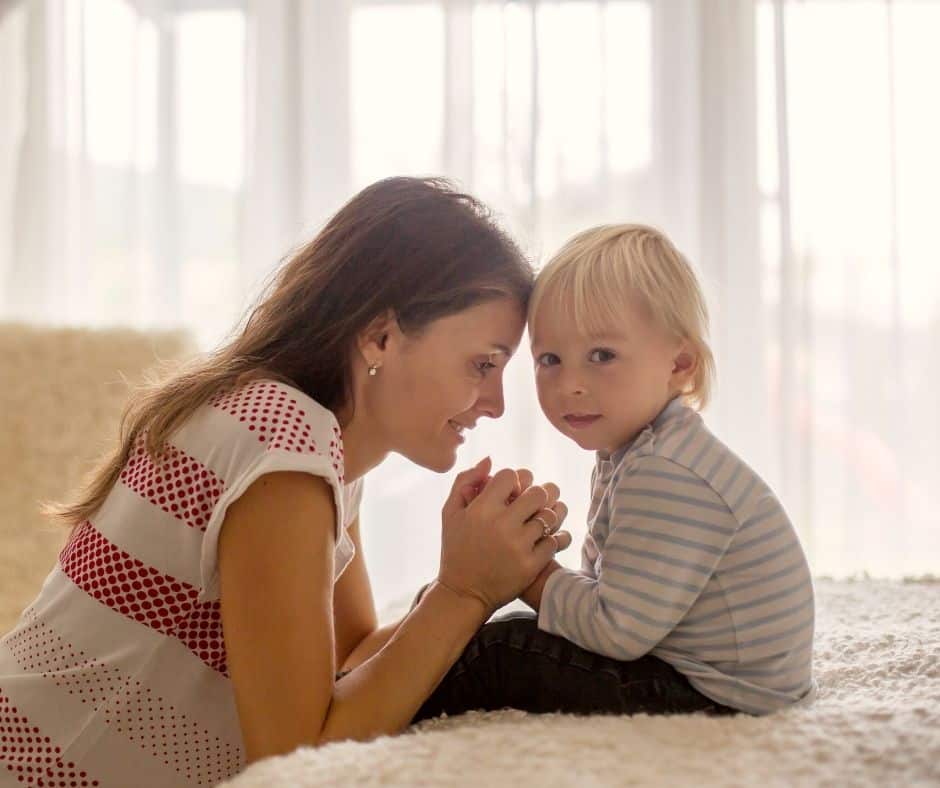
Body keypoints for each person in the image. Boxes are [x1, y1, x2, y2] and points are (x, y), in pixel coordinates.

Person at [0, 177, 573, 787]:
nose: (496, 403)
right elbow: (294, 761)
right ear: (381, 336)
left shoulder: (317, 447)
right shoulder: (284, 442)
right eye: (483, 364)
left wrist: (478, 578)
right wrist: (463, 593)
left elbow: (346, 658)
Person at [415, 224, 815, 721]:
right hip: (703, 668)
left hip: (718, 691)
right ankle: (406, 659)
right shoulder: (639, 450)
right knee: (491, 627)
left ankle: (394, 701)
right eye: (550, 359)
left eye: (602, 355)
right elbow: (611, 586)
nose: (571, 384)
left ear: (680, 364)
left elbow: (616, 631)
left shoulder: (666, 471)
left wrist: (526, 572)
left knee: (504, 651)